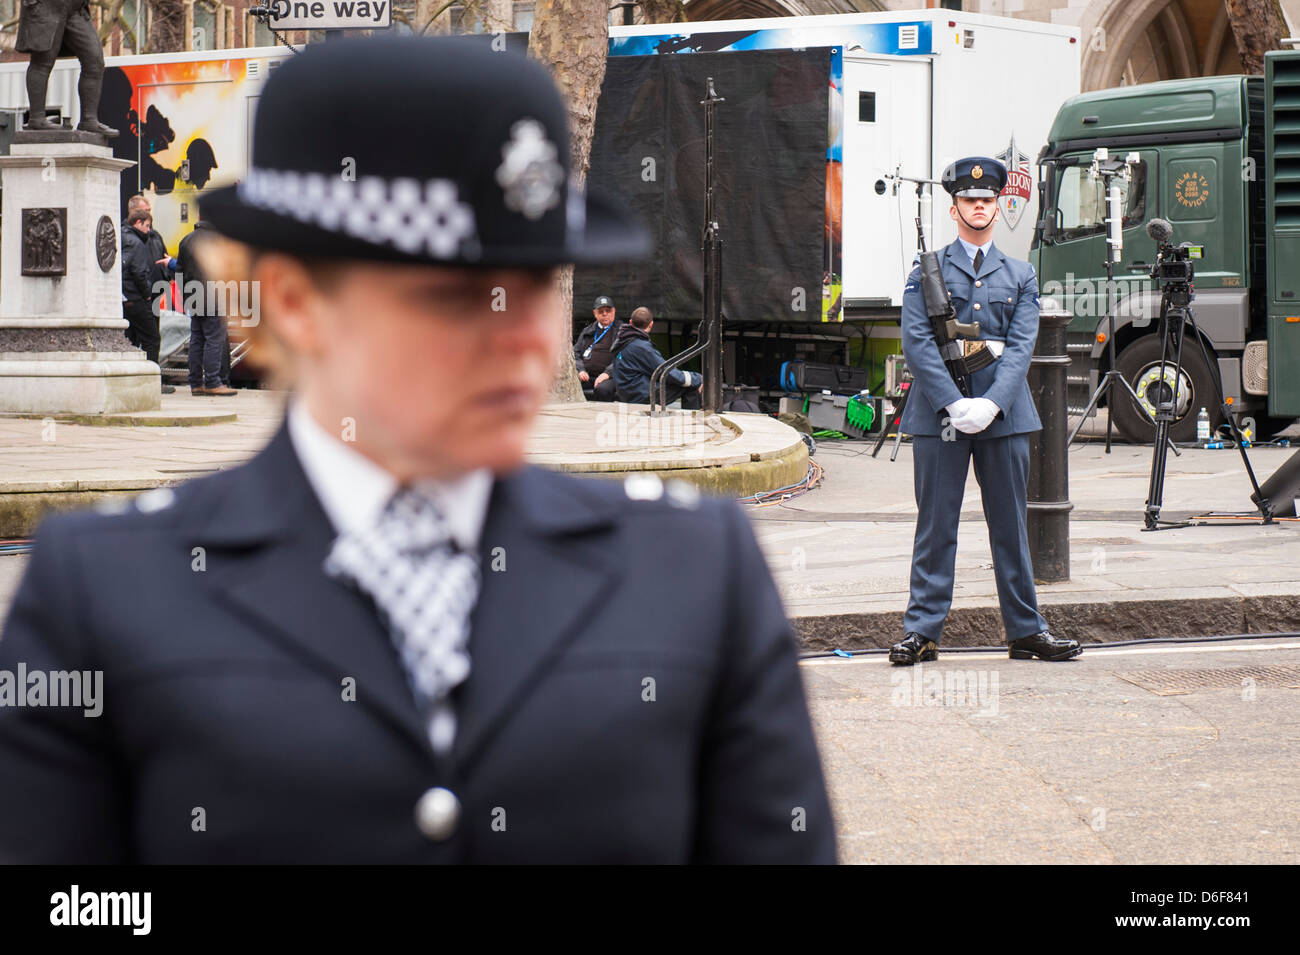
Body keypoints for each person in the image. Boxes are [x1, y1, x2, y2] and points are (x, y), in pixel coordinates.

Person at [0, 36, 835, 864]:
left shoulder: (694, 572)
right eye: (460, 294)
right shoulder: (103, 597)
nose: (527, 344)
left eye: (538, 284)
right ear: (292, 301)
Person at [889, 156, 1081, 666]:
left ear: (997, 207)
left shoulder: (1021, 273)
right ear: (954, 209)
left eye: (987, 200)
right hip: (939, 415)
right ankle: (923, 631)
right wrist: (952, 403)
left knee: (1010, 526)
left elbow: (1022, 347)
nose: (979, 206)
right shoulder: (926, 271)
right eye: (969, 200)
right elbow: (918, 344)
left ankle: (1025, 630)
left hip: (1004, 415)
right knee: (935, 526)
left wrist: (991, 404)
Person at [17, 0, 117, 135]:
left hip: (76, 8)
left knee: (94, 61)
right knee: (42, 61)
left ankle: (89, 120)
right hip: (47, 6)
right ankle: (37, 118)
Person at [176, 210, 236, 396]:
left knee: (197, 339)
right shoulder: (218, 240)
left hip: (193, 296)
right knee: (214, 339)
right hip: (213, 295)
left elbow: (179, 270)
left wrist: (186, 296)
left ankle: (195, 383)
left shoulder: (185, 240)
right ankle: (213, 381)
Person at [611, 307, 702, 408]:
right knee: (691, 386)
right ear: (651, 324)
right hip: (639, 394)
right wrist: (698, 378)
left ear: (630, 322)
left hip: (626, 391)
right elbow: (667, 372)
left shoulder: (622, 340)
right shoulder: (642, 347)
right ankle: (692, 420)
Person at [572, 294, 622, 401]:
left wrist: (607, 373)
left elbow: (623, 357)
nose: (604, 314)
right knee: (566, 385)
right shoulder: (588, 331)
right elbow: (575, 353)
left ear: (613, 311)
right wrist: (580, 370)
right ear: (595, 313)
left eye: (608, 311)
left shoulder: (621, 331)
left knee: (602, 390)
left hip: (610, 376)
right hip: (587, 375)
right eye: (601, 311)